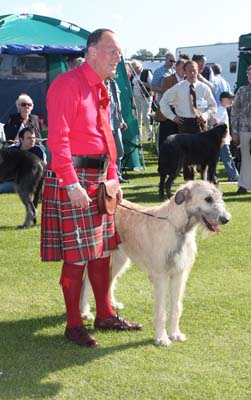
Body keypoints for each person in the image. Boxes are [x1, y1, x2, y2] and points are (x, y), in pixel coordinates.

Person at [41, 28, 142, 348]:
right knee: (76, 256)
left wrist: (113, 176)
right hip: (74, 179)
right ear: (92, 52)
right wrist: (70, 183)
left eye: (119, 52)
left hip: (99, 179)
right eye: (111, 51)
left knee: (102, 251)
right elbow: (58, 139)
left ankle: (105, 314)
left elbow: (106, 136)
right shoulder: (67, 84)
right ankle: (73, 324)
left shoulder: (102, 87)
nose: (117, 58)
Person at [159, 60, 217, 179]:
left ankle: (204, 181)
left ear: (198, 71)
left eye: (194, 70)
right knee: (186, 156)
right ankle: (189, 182)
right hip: (184, 124)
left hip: (200, 123)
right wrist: (173, 117)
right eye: (189, 70)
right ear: (184, 72)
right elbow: (163, 102)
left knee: (204, 153)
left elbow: (213, 106)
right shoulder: (178, 88)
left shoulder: (204, 88)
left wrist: (205, 115)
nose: (192, 73)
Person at [0, 126, 47, 193]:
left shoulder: (39, 151)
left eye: (33, 138)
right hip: (10, 180)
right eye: (29, 138)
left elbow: (43, 170)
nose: (32, 140)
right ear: (21, 140)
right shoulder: (12, 149)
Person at [154, 59, 185, 150]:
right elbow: (167, 97)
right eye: (183, 67)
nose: (185, 69)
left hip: (181, 116)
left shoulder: (187, 81)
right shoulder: (168, 79)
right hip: (167, 116)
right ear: (177, 68)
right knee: (166, 142)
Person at [231, 65, 251, 194]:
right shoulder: (242, 91)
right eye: (249, 74)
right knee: (245, 158)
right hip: (244, 130)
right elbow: (234, 111)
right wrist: (235, 132)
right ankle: (243, 185)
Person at [211, 92, 239, 181]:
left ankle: (213, 175)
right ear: (223, 99)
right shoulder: (221, 110)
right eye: (230, 98)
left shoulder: (222, 109)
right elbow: (214, 121)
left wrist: (229, 135)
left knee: (223, 158)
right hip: (222, 141)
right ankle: (233, 175)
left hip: (223, 139)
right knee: (228, 158)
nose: (232, 100)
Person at [106, 77, 128, 183]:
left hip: (116, 123)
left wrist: (121, 120)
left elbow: (116, 105)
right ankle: (108, 176)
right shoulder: (100, 83)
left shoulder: (114, 83)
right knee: (108, 154)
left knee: (119, 151)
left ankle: (117, 175)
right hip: (106, 125)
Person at [130, 59, 153, 140]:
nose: (135, 71)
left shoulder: (147, 72)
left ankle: (150, 134)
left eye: (136, 68)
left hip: (146, 97)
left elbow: (152, 85)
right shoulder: (133, 75)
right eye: (133, 69)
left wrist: (142, 83)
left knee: (146, 116)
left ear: (139, 67)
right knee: (137, 117)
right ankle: (139, 136)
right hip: (136, 98)